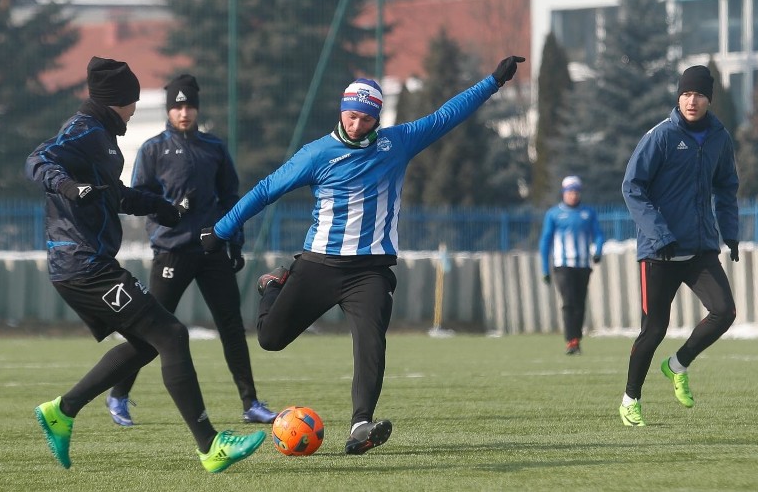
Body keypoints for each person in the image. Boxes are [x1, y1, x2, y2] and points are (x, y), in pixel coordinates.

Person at [200, 55, 526, 454]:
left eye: (365, 119)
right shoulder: (318, 154)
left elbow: (446, 116)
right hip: (319, 264)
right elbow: (266, 190)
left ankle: (360, 425)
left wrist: (493, 81)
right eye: (351, 117)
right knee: (270, 339)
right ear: (342, 113)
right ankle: (275, 284)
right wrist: (220, 231)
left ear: (376, 118)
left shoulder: (397, 143)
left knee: (371, 341)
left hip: (369, 271)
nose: (357, 125)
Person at [26, 56, 265, 473]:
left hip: (88, 263)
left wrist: (161, 207)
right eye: (132, 100)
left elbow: (115, 194)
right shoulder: (82, 129)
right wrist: (68, 185)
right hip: (81, 264)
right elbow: (38, 160)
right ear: (116, 99)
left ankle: (63, 410)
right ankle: (211, 446)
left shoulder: (101, 135)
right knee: (172, 334)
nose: (135, 108)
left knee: (149, 342)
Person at [105, 74, 277, 427]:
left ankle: (250, 403)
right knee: (149, 327)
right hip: (172, 252)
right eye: (177, 106)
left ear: (197, 108)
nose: (184, 112)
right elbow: (140, 198)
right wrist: (165, 223)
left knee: (231, 326)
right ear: (169, 110)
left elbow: (231, 198)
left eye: (189, 105)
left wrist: (235, 240)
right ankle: (118, 394)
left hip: (211, 249)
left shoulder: (214, 148)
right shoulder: (153, 149)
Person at [619, 65, 739, 426]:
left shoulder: (719, 137)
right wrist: (659, 235)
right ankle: (630, 399)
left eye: (699, 94)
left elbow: (727, 188)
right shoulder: (661, 137)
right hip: (660, 252)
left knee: (725, 312)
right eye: (686, 93)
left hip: (700, 248)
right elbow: (632, 187)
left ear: (709, 99)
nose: (692, 100)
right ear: (678, 97)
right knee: (654, 329)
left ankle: (677, 364)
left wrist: (730, 232)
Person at [539, 175, 604, 355]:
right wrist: (545, 268)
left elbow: (598, 234)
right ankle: (571, 340)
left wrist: (598, 251)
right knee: (568, 302)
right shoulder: (554, 214)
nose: (573, 195)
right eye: (570, 192)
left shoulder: (588, 213)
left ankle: (577, 340)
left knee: (580, 303)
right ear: (564, 193)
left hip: (583, 265)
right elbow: (545, 241)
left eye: (576, 192)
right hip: (562, 266)